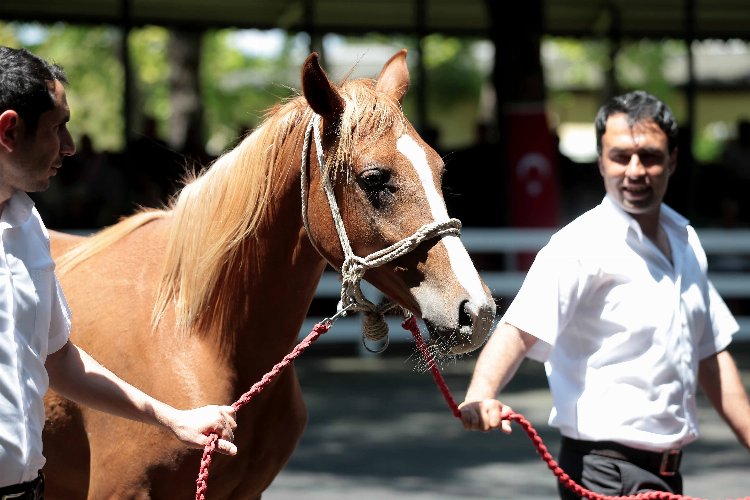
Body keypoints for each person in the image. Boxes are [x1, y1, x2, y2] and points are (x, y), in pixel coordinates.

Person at [459, 90, 750, 498]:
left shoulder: (685, 240)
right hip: (604, 474)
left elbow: (711, 355)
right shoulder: (580, 244)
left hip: (666, 474)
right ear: (600, 161)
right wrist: (480, 394)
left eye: (649, 155)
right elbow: (518, 330)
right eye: (619, 156)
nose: (634, 170)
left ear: (673, 161)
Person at [0, 46, 238, 499]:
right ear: (10, 131)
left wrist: (174, 418)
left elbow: (59, 358)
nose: (69, 146)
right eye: (57, 128)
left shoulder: (28, 226)